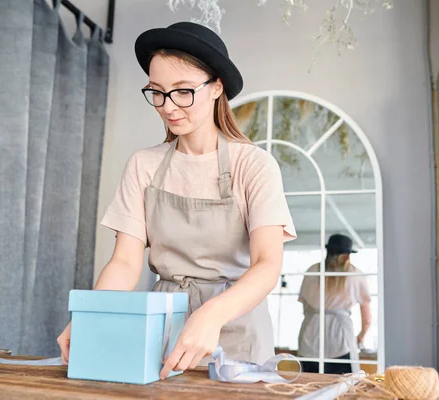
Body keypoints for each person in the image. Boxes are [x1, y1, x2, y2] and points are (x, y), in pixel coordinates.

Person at [56, 22, 296, 379]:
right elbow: (124, 262)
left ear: (217, 88)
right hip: (163, 325)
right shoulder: (144, 165)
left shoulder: (254, 165)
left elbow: (266, 264)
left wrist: (210, 314)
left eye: (183, 91)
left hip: (236, 329)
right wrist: (93, 315)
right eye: (157, 92)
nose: (168, 106)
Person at [297, 234, 372, 374]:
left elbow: (305, 307)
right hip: (341, 340)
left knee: (310, 387)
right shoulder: (356, 275)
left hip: (310, 337)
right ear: (347, 256)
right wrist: (361, 337)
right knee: (343, 388)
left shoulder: (312, 271)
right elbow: (367, 319)